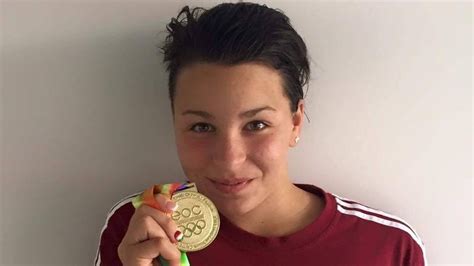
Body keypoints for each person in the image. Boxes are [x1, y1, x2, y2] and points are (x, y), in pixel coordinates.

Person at [95, 2, 426, 265]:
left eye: (256, 125)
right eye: (201, 127)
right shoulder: (140, 228)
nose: (229, 157)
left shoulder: (387, 247)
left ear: (295, 122)